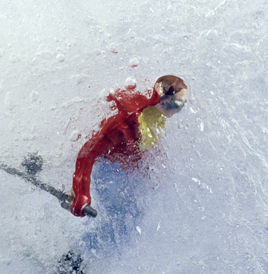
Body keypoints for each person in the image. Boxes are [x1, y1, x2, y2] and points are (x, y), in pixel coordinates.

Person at [69, 75, 188, 217]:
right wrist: (81, 193)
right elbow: (88, 152)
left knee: (137, 212)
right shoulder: (125, 123)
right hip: (106, 165)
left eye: (183, 105)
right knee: (118, 212)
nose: (177, 111)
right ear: (161, 99)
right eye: (177, 105)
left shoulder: (158, 115)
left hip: (124, 166)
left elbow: (144, 145)